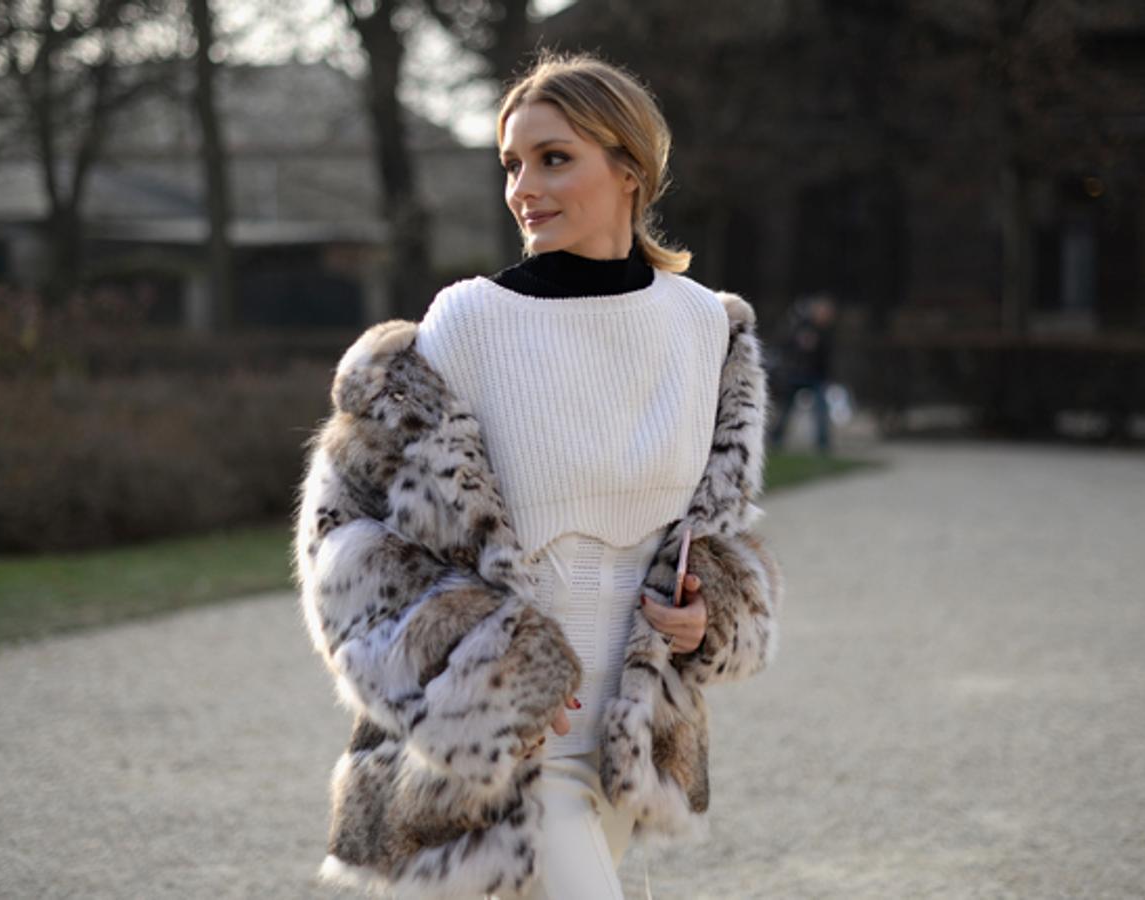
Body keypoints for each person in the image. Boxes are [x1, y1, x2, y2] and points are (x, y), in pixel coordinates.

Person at [293, 50, 783, 900]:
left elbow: (716, 533)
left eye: (553, 158)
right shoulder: (469, 322)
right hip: (499, 752)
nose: (524, 187)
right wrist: (482, 679)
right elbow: (347, 544)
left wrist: (708, 613)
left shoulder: (706, 327)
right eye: (512, 164)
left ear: (630, 168)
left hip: (629, 739)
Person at [768, 292, 838, 455]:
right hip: (797, 374)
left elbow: (827, 357)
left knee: (820, 409)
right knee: (786, 409)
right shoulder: (800, 326)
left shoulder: (826, 332)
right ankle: (776, 437)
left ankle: (823, 443)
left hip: (816, 376)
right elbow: (787, 347)